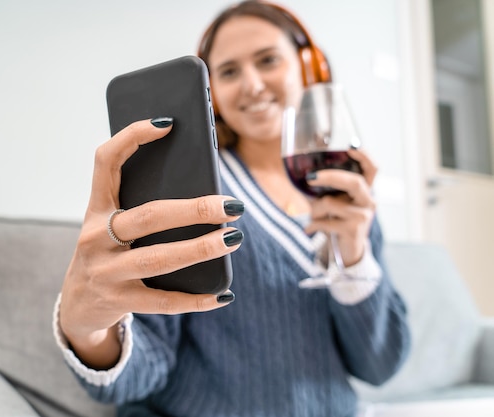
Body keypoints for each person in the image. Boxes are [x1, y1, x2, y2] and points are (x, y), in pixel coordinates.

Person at [53, 1, 410, 416]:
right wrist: (87, 330)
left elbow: (380, 365)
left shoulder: (346, 197)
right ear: (212, 92)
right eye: (229, 71)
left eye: (268, 60)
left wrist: (354, 255)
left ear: (308, 68)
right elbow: (141, 373)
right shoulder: (190, 192)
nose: (252, 85)